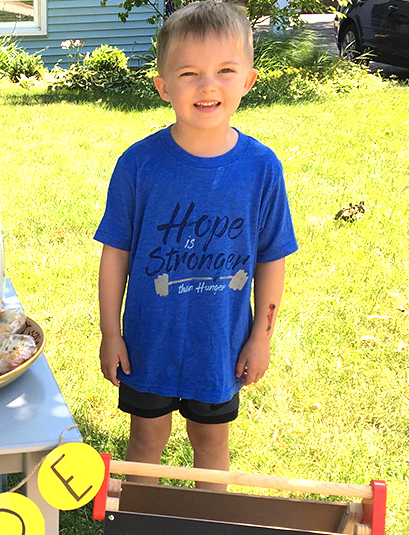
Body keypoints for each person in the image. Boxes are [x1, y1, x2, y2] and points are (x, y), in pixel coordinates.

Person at [94, 0, 298, 490]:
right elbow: (115, 254)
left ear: (248, 80)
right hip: (149, 342)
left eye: (225, 70)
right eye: (189, 73)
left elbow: (272, 257)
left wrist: (261, 337)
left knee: (211, 448)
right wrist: (110, 332)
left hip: (220, 345)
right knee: (146, 442)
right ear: (164, 86)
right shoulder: (139, 164)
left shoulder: (262, 168)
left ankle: (212, 523)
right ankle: (137, 523)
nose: (208, 86)